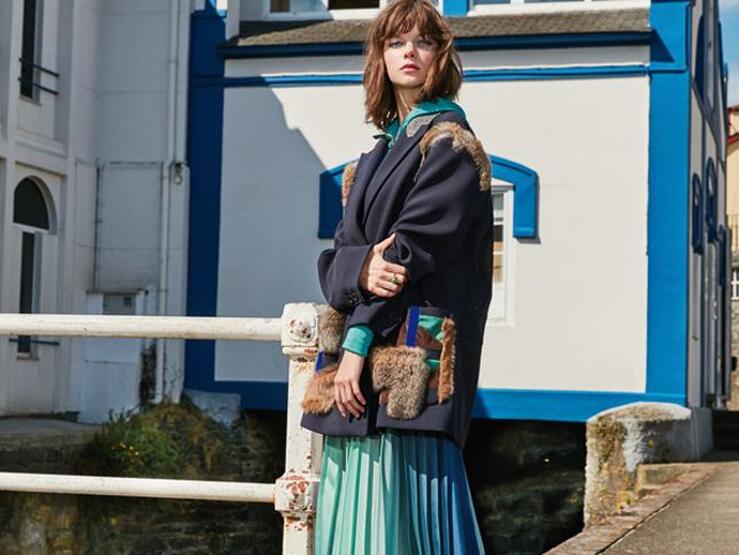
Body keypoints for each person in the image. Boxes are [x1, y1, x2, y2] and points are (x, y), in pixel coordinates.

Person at [300, 0, 493, 552]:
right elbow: (334, 262)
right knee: (357, 510)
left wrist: (357, 342)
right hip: (356, 363)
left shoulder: (453, 146)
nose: (409, 52)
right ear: (380, 58)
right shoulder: (371, 159)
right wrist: (359, 265)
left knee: (410, 513)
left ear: (441, 55)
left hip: (414, 353)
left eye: (423, 42)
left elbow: (410, 255)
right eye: (395, 42)